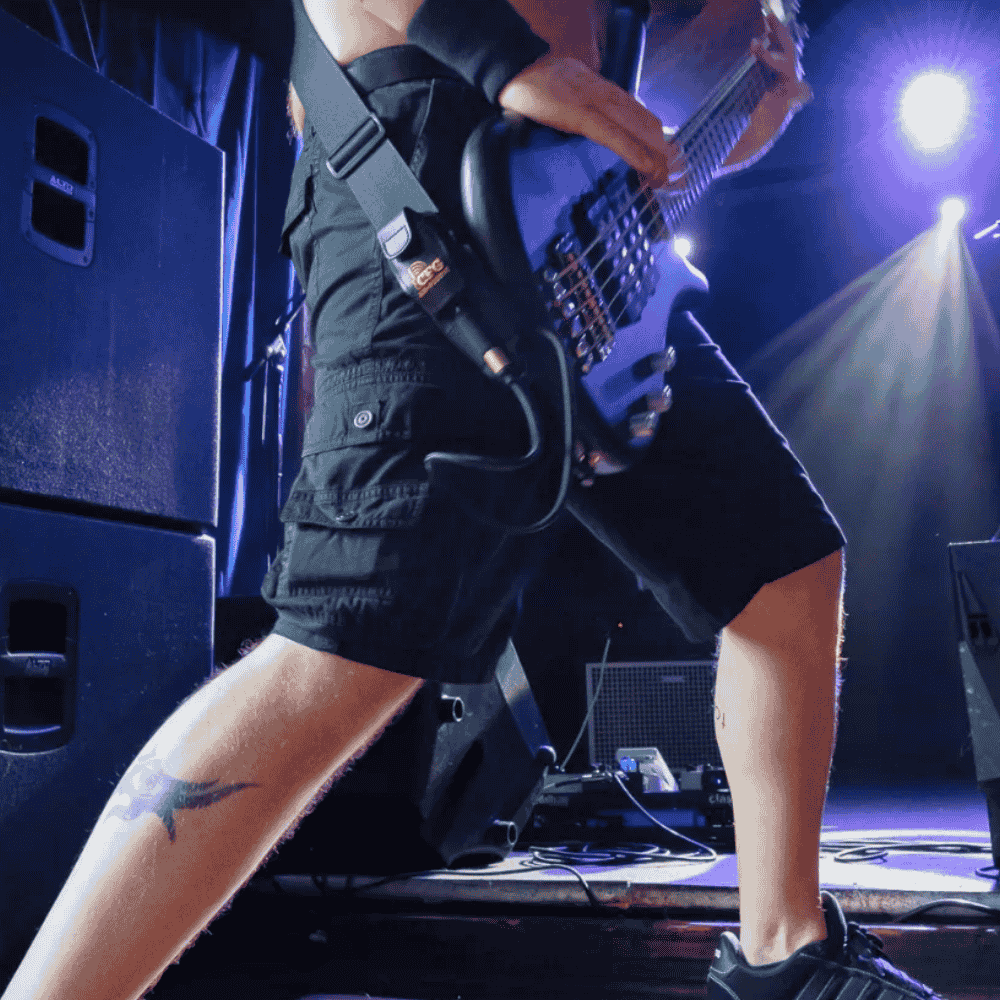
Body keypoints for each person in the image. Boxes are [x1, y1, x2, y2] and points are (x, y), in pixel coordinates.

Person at [1, 2, 946, 999]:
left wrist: (742, 111)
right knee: (344, 648)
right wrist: (505, 61)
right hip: (432, 166)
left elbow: (634, 107)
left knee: (782, 562)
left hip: (571, 228)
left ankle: (782, 956)